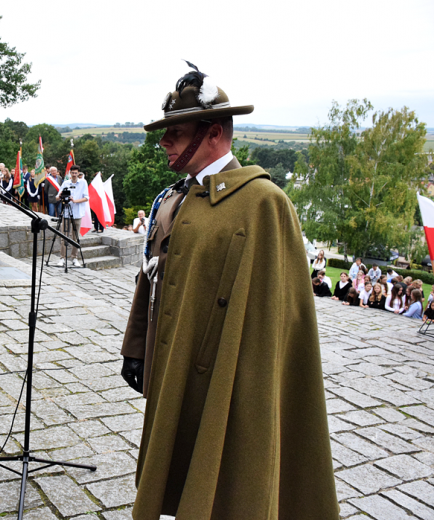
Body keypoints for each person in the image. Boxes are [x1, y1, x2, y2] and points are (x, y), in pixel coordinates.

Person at [119, 64, 338, 520]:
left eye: (175, 133)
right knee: (172, 477)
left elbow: (276, 324)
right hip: (171, 366)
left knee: (223, 489)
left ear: (213, 133)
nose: (164, 142)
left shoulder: (264, 205)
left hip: (227, 384)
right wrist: (136, 348)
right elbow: (152, 275)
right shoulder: (176, 198)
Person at [56, 165, 89, 267]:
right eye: (72, 173)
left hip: (77, 213)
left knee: (75, 237)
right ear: (70, 173)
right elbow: (57, 197)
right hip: (66, 213)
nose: (74, 175)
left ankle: (74, 257)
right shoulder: (66, 183)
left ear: (78, 173)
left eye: (76, 173)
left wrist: (75, 200)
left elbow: (87, 198)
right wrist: (61, 195)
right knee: (64, 236)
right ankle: (62, 258)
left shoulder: (83, 183)